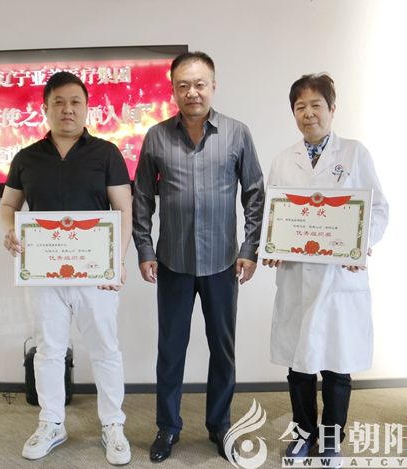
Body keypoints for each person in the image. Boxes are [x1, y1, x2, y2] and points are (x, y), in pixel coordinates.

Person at [133, 51, 265, 462]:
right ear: (173, 90)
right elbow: (142, 197)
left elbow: (254, 193)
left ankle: (220, 425)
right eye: (183, 85)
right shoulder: (156, 136)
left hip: (223, 263)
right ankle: (167, 427)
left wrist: (249, 248)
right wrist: (144, 249)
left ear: (213, 86)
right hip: (172, 262)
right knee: (171, 349)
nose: (192, 92)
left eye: (200, 84)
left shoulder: (237, 133)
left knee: (222, 349)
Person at [0, 71, 133, 466]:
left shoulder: (106, 153)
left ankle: (113, 425)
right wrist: (9, 231)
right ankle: (52, 423)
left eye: (75, 102)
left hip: (96, 274)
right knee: (49, 351)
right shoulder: (26, 157)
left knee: (106, 349)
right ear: (45, 108)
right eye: (58, 102)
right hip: (43, 274)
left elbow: (124, 209)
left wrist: (117, 262)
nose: (67, 109)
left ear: (87, 108)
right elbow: (8, 206)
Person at [263, 73, 389, 464]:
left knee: (336, 366)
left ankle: (331, 439)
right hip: (298, 276)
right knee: (299, 366)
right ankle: (303, 436)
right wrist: (272, 245)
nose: (308, 113)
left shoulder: (354, 154)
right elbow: (273, 213)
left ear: (332, 109)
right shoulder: (283, 159)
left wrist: (361, 245)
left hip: (339, 278)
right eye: (300, 107)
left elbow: (378, 209)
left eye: (316, 105)